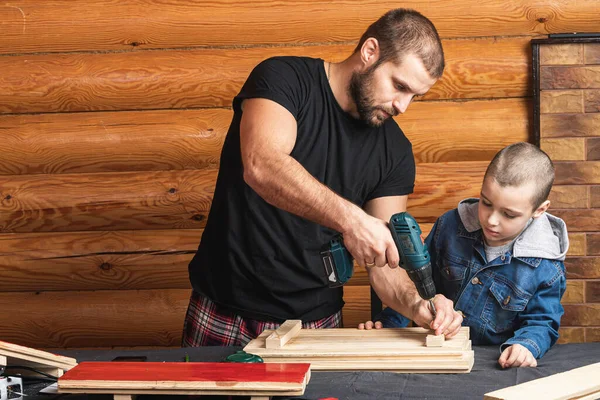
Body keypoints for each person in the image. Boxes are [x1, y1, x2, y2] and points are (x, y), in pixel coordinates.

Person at [182, 8, 464, 347]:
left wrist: (417, 304)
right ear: (370, 52)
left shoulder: (395, 151)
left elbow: (384, 259)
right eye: (399, 86)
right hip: (225, 311)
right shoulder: (284, 79)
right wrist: (352, 221)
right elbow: (263, 164)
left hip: (317, 324)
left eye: (414, 96)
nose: (402, 105)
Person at [359, 142, 569, 369]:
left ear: (539, 210)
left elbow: (542, 322)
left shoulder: (547, 266)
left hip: (494, 365)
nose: (491, 220)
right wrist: (390, 325)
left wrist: (526, 346)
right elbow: (415, 284)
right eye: (486, 203)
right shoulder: (449, 227)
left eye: (509, 214)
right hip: (435, 356)